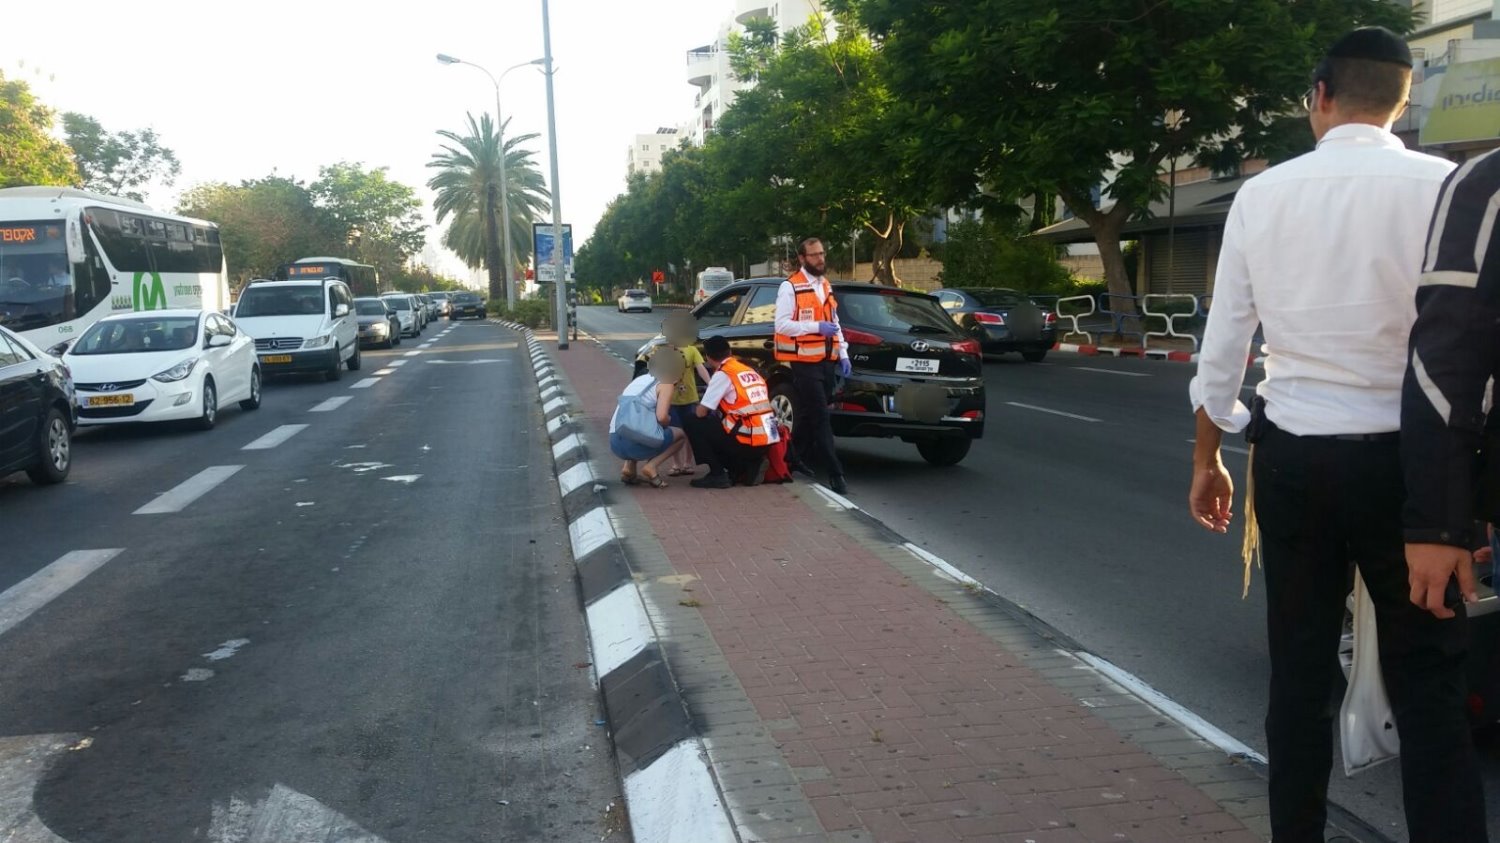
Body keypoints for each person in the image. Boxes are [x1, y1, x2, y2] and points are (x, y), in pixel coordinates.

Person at [1187, 27, 1485, 843]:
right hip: (1419, 474)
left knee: (1301, 675)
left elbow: (1224, 352)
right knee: (1430, 682)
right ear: (1406, 94)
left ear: (1318, 95)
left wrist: (1208, 456)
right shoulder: (1450, 189)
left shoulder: (1264, 195)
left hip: (1296, 465)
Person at [773, 237, 850, 494]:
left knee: (807, 413)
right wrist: (816, 327)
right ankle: (836, 473)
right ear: (803, 259)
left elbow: (834, 320)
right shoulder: (790, 287)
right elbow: (781, 325)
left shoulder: (825, 285)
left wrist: (844, 353)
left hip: (827, 361)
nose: (820, 258)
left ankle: (791, 457)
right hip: (804, 361)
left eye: (822, 253)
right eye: (814, 255)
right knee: (821, 415)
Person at [689, 335, 779, 489]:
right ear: (729, 352)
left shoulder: (724, 373)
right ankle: (747, 466)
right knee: (723, 422)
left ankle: (718, 474)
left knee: (693, 421)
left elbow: (701, 413)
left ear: (708, 358)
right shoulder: (747, 370)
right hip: (767, 440)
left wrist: (698, 404)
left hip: (747, 441)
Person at [610, 353, 688, 488]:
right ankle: (651, 467)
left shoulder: (639, 380)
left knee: (638, 423)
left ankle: (628, 468)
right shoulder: (666, 383)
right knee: (680, 435)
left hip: (615, 442)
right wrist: (668, 421)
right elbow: (662, 417)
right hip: (633, 445)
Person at [657, 315, 712, 477]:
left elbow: (700, 368)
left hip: (690, 397)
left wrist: (711, 384)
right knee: (674, 432)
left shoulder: (691, 349)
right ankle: (676, 463)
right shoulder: (663, 351)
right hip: (671, 399)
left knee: (689, 432)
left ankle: (688, 463)